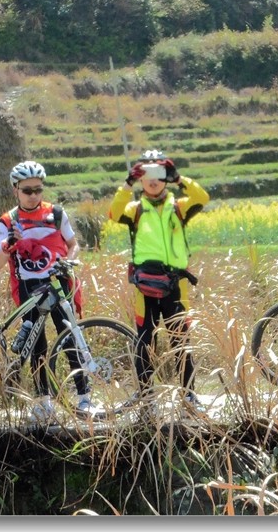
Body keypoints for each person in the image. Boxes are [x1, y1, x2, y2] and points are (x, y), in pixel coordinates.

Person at [0, 160, 91, 420]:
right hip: (28, 287)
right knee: (37, 344)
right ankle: (43, 401)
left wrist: (69, 260)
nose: (33, 195)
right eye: (27, 190)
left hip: (58, 283)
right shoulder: (7, 221)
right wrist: (7, 243)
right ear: (15, 190)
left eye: (38, 189)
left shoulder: (56, 214)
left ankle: (84, 397)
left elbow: (73, 244)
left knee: (68, 336)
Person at [108, 149, 209, 410]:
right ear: (141, 180)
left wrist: (179, 178)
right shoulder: (134, 210)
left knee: (181, 340)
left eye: (159, 174)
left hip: (176, 285)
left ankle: (188, 395)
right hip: (145, 286)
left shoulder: (179, 207)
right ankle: (147, 396)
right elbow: (113, 212)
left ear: (165, 177)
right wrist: (126, 183)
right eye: (147, 174)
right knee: (145, 340)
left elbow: (202, 197)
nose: (153, 180)